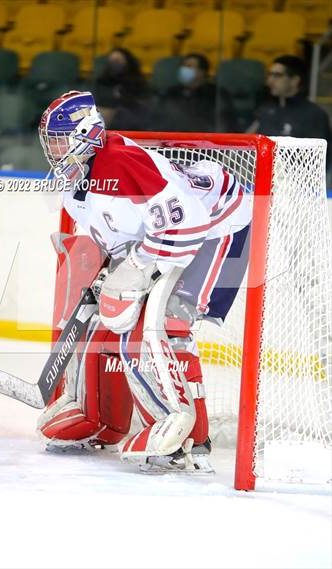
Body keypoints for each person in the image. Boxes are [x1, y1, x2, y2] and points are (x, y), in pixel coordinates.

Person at [37, 91, 251, 472]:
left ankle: (190, 436)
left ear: (85, 134)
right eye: (49, 142)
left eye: (58, 141)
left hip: (219, 222)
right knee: (110, 314)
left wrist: (136, 264)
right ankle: (99, 419)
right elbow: (120, 232)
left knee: (167, 319)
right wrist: (116, 270)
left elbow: (189, 221)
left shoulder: (119, 162)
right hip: (170, 227)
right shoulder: (74, 184)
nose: (52, 151)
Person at [247, 55, 331, 141]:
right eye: (270, 75)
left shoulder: (314, 115)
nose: (270, 81)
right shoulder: (265, 110)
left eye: (277, 75)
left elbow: (320, 151)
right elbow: (246, 142)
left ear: (295, 80)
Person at [155, 53, 237, 132]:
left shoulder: (216, 94)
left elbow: (225, 125)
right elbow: (159, 121)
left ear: (202, 72)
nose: (183, 70)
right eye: (183, 66)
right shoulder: (171, 93)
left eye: (189, 66)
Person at [92, 48, 150, 131]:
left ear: (127, 62)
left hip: (131, 122)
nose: (115, 63)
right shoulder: (101, 82)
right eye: (112, 61)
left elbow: (142, 106)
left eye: (118, 60)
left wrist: (115, 112)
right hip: (104, 125)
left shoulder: (138, 83)